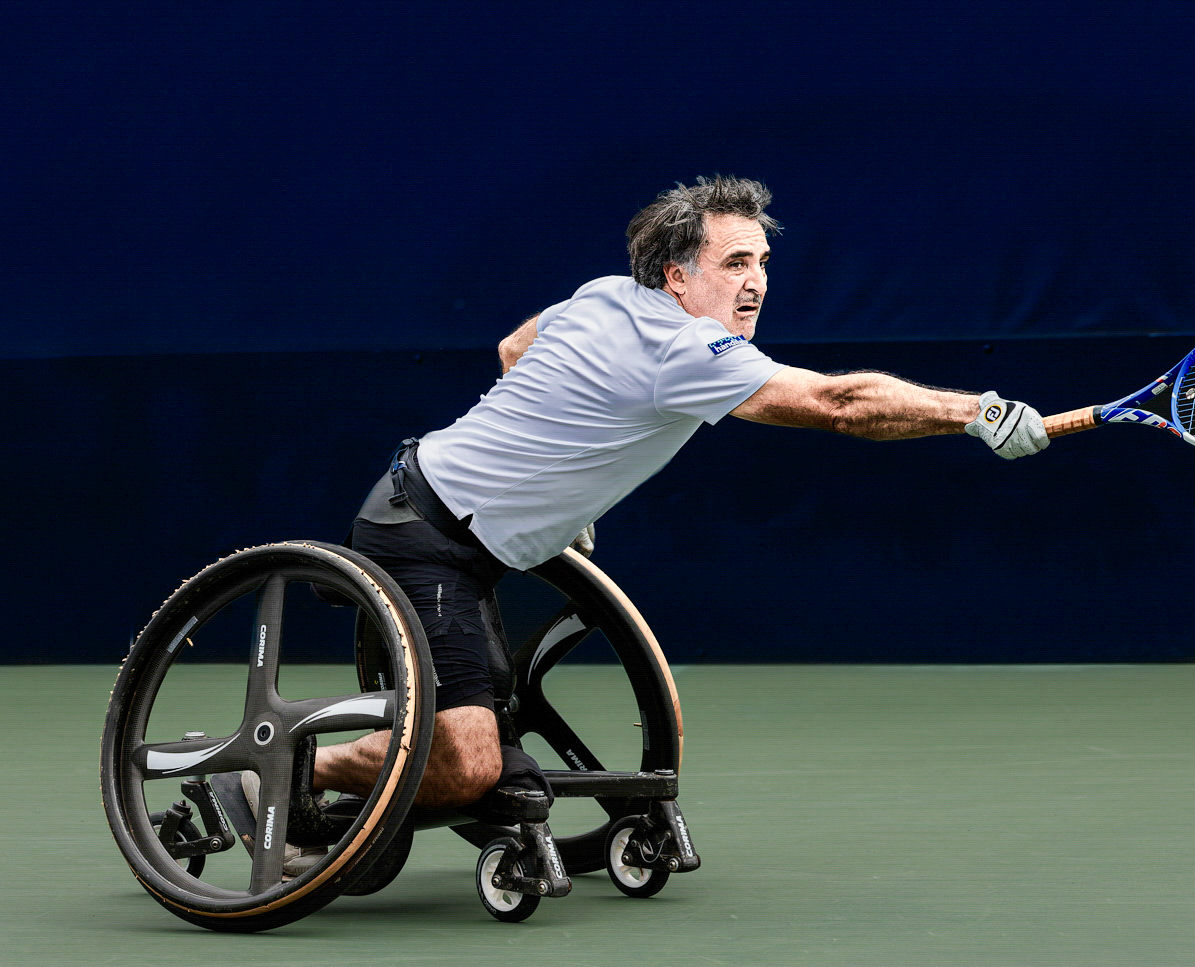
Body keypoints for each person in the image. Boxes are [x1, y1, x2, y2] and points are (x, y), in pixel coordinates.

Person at [312, 175, 1051, 829]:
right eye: (735, 264)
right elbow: (839, 404)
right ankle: (296, 764)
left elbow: (513, 349)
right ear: (676, 276)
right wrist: (974, 412)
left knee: (482, 735)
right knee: (469, 765)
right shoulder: (686, 349)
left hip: (431, 500)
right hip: (424, 535)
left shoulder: (604, 293)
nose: (756, 282)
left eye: (762, 262)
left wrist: (548, 486)